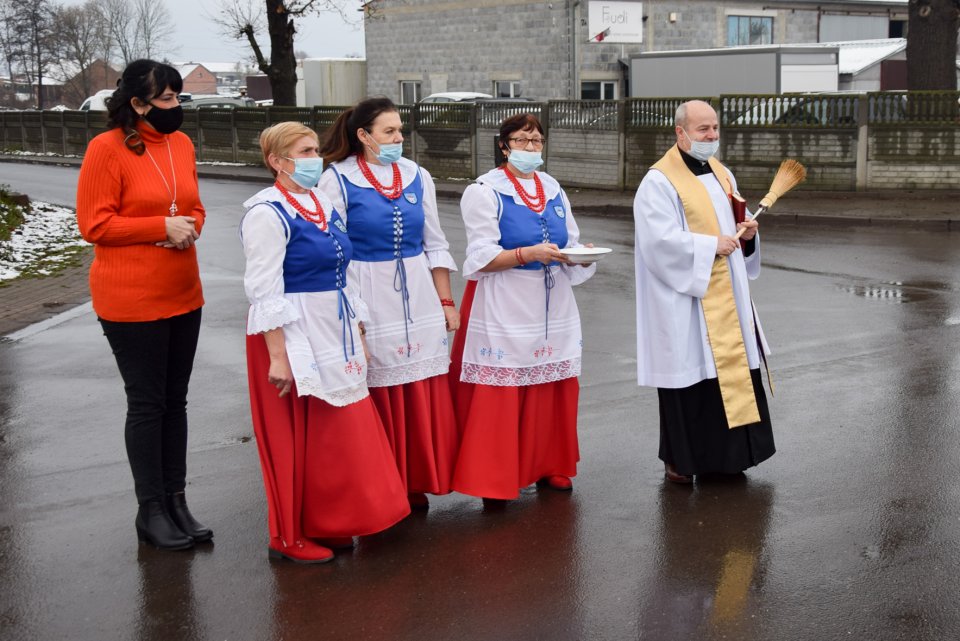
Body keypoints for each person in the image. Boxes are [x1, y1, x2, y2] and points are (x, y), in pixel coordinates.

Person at [242, 121, 409, 564]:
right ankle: (288, 536)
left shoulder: (319, 201)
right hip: (292, 330)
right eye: (305, 151)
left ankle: (330, 521)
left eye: (316, 150)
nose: (316, 159)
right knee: (295, 436)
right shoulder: (266, 212)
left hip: (334, 324)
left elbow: (345, 272)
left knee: (336, 433)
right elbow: (264, 289)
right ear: (277, 161)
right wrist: (277, 356)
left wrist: (358, 331)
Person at [75, 59, 211, 550]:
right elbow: (94, 224)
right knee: (148, 404)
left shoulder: (181, 143)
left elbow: (194, 205)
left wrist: (190, 225)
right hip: (131, 300)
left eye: (178, 97)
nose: (177, 107)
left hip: (183, 291)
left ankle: (176, 500)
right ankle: (150, 509)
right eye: (168, 99)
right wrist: (160, 227)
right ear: (138, 104)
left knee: (176, 402)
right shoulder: (105, 150)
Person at [318, 97, 460, 510]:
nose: (399, 138)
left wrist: (446, 301)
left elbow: (435, 243)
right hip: (369, 290)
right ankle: (384, 483)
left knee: (419, 386)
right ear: (363, 136)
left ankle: (417, 479)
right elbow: (336, 254)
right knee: (379, 384)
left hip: (418, 291)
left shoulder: (417, 175)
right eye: (389, 132)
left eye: (400, 130)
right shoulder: (337, 180)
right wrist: (352, 316)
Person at [450, 113, 596, 501]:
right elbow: (480, 257)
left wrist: (578, 255)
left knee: (551, 381)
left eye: (536, 141)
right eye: (521, 141)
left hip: (552, 298)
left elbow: (571, 239)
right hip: (506, 297)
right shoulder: (484, 190)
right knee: (505, 388)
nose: (530, 148)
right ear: (503, 145)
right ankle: (496, 477)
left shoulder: (552, 187)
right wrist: (524, 253)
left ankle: (550, 464)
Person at [632, 99, 775, 484]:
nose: (711, 136)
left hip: (725, 295)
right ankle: (681, 459)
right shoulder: (658, 181)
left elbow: (734, 224)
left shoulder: (720, 172)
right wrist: (710, 245)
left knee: (726, 374)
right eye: (702, 130)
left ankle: (727, 459)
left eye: (714, 128)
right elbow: (657, 243)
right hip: (684, 302)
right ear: (680, 133)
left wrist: (747, 234)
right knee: (690, 381)